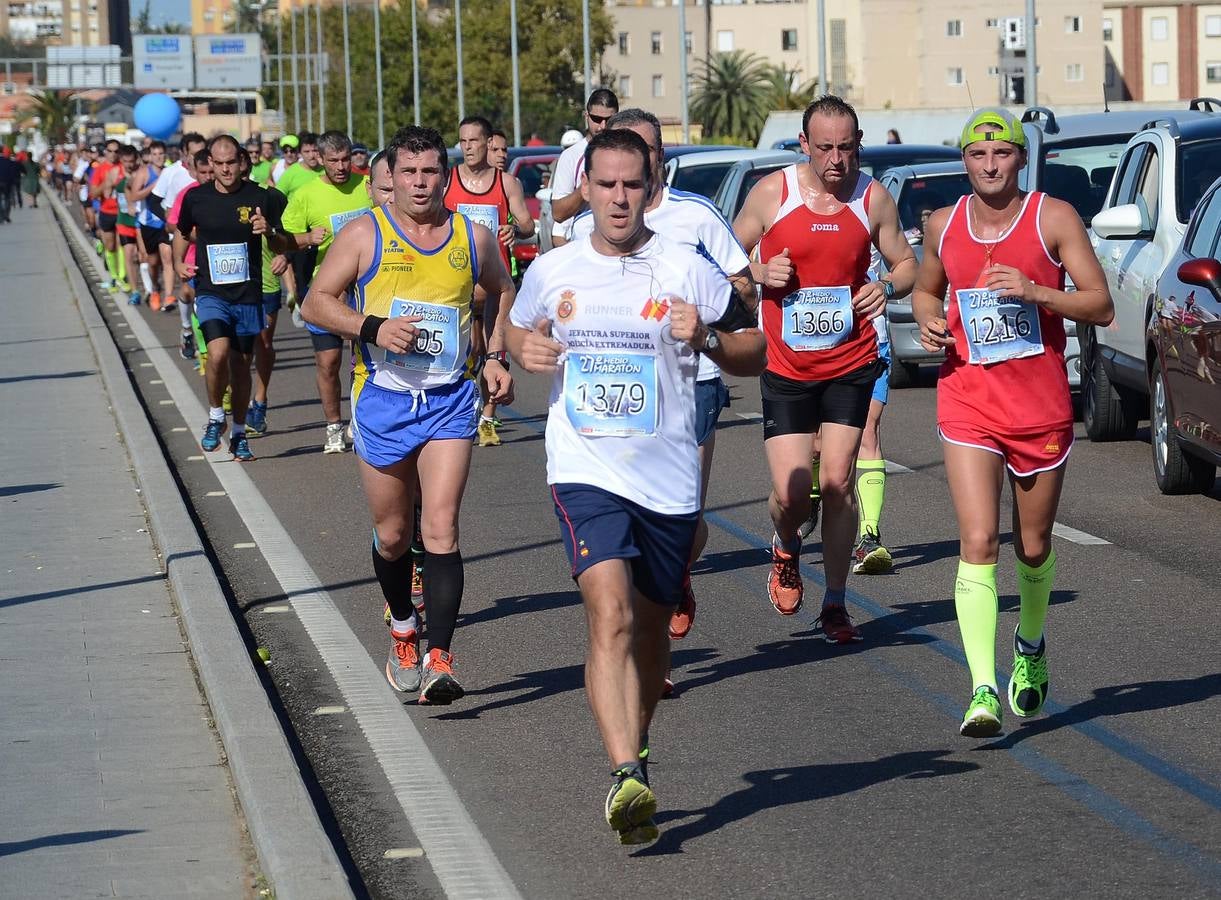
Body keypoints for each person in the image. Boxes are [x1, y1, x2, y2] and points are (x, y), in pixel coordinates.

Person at [508, 129, 765, 845]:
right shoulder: (555, 268)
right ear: (584, 187)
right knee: (610, 615)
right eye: (606, 185)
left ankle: (637, 743)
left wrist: (708, 337)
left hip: (668, 479)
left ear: (649, 187)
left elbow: (754, 351)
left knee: (651, 629)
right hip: (584, 467)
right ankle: (625, 771)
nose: (619, 199)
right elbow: (514, 329)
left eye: (632, 185)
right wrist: (517, 349)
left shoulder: (686, 267)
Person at [911, 107, 1113, 737]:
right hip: (968, 398)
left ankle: (1029, 644)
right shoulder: (944, 226)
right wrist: (929, 320)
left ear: (1020, 159)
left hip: (1038, 406)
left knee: (1031, 545)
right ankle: (981, 690)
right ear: (965, 160)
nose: (990, 165)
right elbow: (924, 289)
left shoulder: (1053, 218)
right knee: (977, 542)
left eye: (1002, 154)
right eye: (977, 154)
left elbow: (1101, 304)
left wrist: (1037, 292)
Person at [301, 125, 515, 705]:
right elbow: (314, 301)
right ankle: (402, 626)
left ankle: (440, 659)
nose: (420, 184)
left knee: (440, 528)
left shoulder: (472, 237)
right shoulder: (364, 235)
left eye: (430, 172)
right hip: (383, 400)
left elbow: (502, 288)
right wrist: (374, 328)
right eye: (410, 173)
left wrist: (495, 353)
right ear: (390, 177)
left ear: (444, 176)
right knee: (395, 537)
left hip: (448, 399)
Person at [569, 108, 757, 648]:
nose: (639, 162)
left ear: (659, 160)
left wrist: (706, 322)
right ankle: (641, 612)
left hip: (688, 381)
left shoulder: (694, 214)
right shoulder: (589, 223)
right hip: (612, 391)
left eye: (649, 150)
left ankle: (672, 575)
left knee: (686, 516)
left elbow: (742, 285)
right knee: (619, 511)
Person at [732, 95, 917, 642]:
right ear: (804, 146)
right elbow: (718, 257)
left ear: (859, 145)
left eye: (847, 147)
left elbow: (907, 263)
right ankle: (786, 545)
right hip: (787, 367)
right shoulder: (773, 194)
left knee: (837, 481)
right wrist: (761, 270)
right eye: (826, 148)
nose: (837, 159)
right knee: (792, 496)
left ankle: (836, 602)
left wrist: (885, 286)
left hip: (850, 361)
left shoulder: (872, 198)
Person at [173, 134, 287, 463]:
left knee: (240, 366)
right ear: (210, 163)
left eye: (230, 163)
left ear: (241, 163)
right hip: (211, 291)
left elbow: (282, 242)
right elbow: (181, 233)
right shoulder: (197, 198)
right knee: (218, 351)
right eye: (218, 164)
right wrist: (179, 263)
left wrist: (272, 237)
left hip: (248, 294)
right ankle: (214, 416)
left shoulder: (262, 197)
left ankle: (238, 432)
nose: (225, 170)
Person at [271, 130, 370, 453]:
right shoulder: (306, 194)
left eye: (345, 160)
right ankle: (332, 426)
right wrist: (306, 240)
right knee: (328, 362)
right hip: (325, 288)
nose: (341, 167)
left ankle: (360, 422)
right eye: (334, 161)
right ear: (321, 161)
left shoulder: (365, 187)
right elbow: (280, 240)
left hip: (366, 287)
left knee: (365, 360)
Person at [443, 115, 535, 447]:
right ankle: (461, 410)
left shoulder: (506, 183)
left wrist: (516, 231)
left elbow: (528, 225)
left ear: (487, 143)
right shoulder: (447, 181)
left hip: (496, 285)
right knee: (469, 353)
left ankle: (488, 419)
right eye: (462, 141)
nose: (467, 147)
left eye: (474, 141)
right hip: (458, 286)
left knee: (495, 355)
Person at [550, 89, 619, 247]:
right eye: (596, 119)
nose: (602, 126)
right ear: (586, 116)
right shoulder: (571, 156)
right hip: (583, 247)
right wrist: (588, 185)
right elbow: (558, 213)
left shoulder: (628, 153)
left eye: (609, 120)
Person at [127, 140, 175, 312]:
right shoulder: (144, 173)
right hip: (149, 223)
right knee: (153, 262)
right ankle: (155, 289)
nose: (158, 157)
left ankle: (169, 296)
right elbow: (134, 196)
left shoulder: (170, 172)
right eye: (155, 154)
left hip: (166, 222)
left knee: (168, 257)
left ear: (165, 154)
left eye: (161, 154)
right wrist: (155, 187)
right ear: (150, 156)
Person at [90, 140, 128, 291]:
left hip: (122, 213)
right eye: (110, 151)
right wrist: (107, 183)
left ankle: (122, 277)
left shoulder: (123, 167)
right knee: (110, 246)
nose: (113, 154)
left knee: (122, 244)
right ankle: (114, 276)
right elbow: (93, 193)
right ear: (105, 152)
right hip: (106, 211)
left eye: (116, 151)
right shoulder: (100, 169)